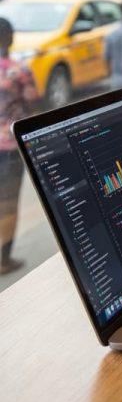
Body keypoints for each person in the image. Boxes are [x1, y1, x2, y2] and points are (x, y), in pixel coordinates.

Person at [0, 18, 38, 274]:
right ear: (10, 38)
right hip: (10, 146)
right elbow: (34, 102)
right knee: (8, 202)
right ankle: (3, 258)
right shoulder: (19, 70)